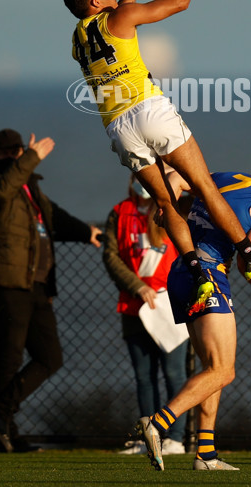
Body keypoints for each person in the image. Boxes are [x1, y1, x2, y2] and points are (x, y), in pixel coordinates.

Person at [63, 0, 251, 314]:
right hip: (149, 111)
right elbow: (180, 2)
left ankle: (198, 272)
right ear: (97, 0)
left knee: (165, 203)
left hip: (118, 128)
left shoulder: (78, 38)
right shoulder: (120, 16)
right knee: (203, 186)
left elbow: (119, 16)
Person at [134, 162, 251, 472]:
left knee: (211, 370)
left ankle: (205, 454)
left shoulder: (229, 177)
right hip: (209, 276)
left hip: (181, 272)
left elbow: (176, 179)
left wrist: (167, 207)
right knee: (224, 372)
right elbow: (248, 260)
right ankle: (157, 423)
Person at [0, 128, 102, 453]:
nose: (12, 155)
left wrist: (87, 232)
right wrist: (29, 158)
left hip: (37, 283)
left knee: (49, 357)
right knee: (9, 356)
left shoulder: (27, 182)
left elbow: (52, 214)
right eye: (6, 152)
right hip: (5, 280)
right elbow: (0, 194)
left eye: (16, 151)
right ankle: (6, 432)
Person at [103, 175, 189, 456]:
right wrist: (136, 286)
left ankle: (175, 439)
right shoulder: (118, 212)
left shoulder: (171, 210)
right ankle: (147, 439)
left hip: (170, 306)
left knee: (175, 374)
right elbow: (111, 257)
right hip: (134, 307)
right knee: (144, 377)